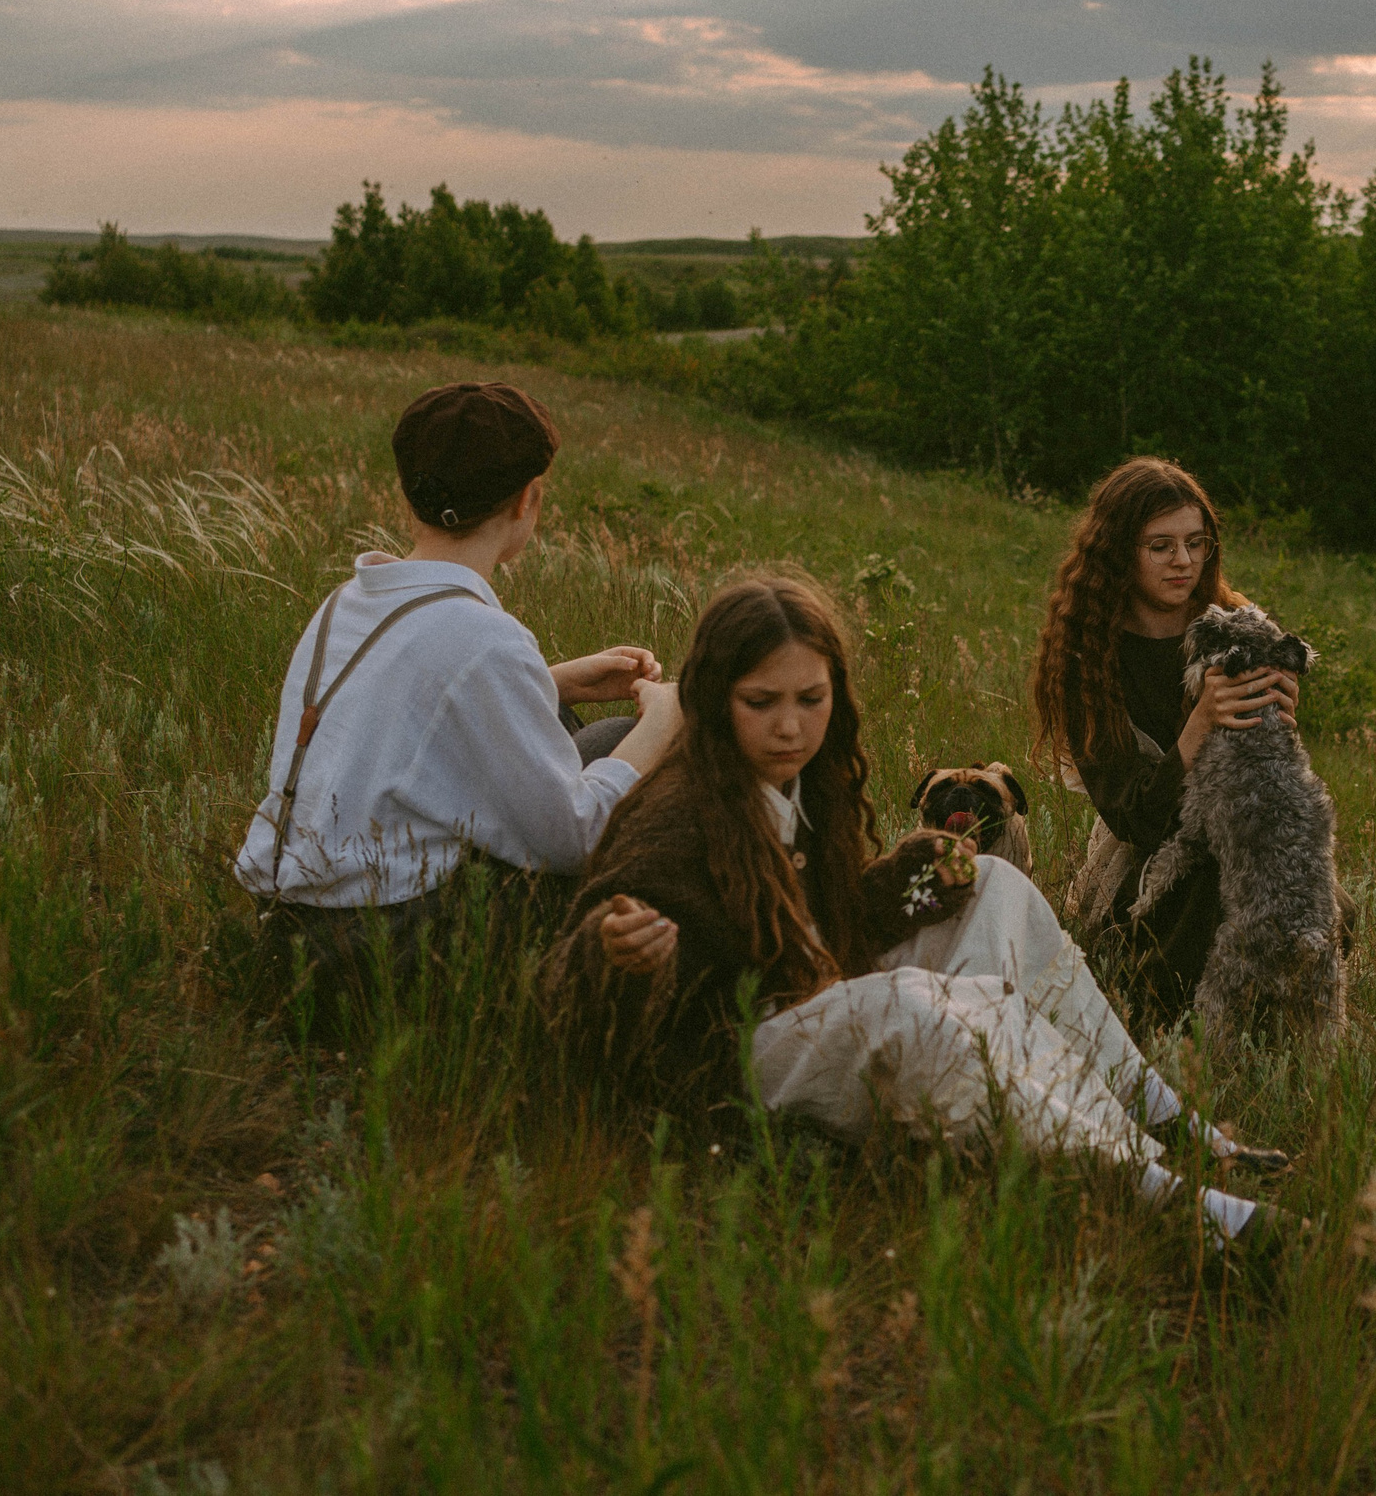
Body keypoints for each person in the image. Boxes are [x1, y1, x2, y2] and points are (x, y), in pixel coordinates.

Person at [545, 573, 1286, 1247]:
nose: (790, 727)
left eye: (811, 699)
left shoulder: (812, 785)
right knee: (929, 1008)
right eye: (760, 702)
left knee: (993, 881)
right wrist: (615, 956)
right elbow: (565, 994)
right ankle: (1177, 1203)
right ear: (712, 699)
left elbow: (828, 928)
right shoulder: (676, 814)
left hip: (823, 995)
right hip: (739, 1054)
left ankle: (1158, 1118)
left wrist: (919, 877)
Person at [233, 382, 683, 987]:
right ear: (527, 500)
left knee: (566, 727)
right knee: (619, 740)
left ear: (409, 493)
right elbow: (574, 837)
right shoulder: (484, 637)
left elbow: (394, 714)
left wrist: (551, 684)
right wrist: (662, 721)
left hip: (290, 931)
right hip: (386, 949)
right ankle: (653, 969)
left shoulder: (347, 603)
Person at [1030, 458, 1308, 1026]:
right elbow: (1133, 820)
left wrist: (1275, 722)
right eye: (1160, 546)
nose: (1183, 562)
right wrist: (1200, 722)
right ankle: (1165, 1029)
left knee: (1325, 911)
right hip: (1145, 854)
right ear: (1119, 552)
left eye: (1195, 543)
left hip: (1240, 826)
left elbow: (1267, 774)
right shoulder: (1090, 652)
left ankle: (1260, 1028)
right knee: (1206, 882)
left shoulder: (1229, 622)